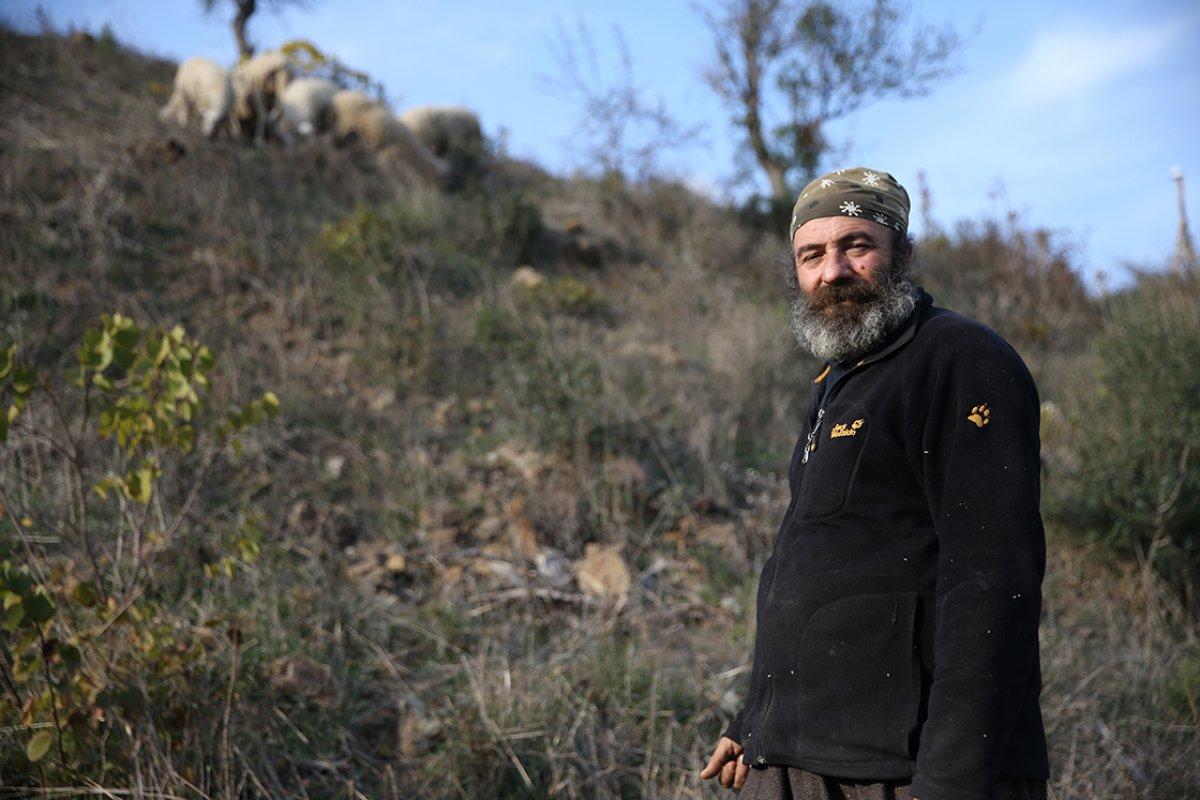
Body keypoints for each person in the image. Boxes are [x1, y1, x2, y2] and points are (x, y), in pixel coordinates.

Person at [699, 167, 1050, 800]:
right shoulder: (839, 381)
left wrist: (950, 782)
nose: (832, 271)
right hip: (802, 757)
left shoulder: (961, 361)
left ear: (902, 254)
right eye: (812, 255)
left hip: (905, 770)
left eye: (856, 245)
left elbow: (992, 580)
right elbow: (813, 564)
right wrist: (754, 719)